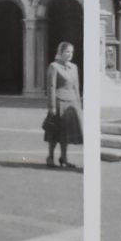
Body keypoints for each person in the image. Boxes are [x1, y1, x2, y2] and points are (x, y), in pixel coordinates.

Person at [44, 41, 82, 169]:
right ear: (60, 52)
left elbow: (76, 87)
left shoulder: (74, 67)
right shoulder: (54, 66)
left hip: (71, 104)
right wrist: (52, 106)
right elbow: (51, 87)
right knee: (54, 132)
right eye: (67, 51)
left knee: (66, 133)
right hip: (59, 102)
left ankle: (64, 158)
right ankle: (50, 157)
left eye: (72, 52)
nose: (70, 54)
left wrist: (78, 105)